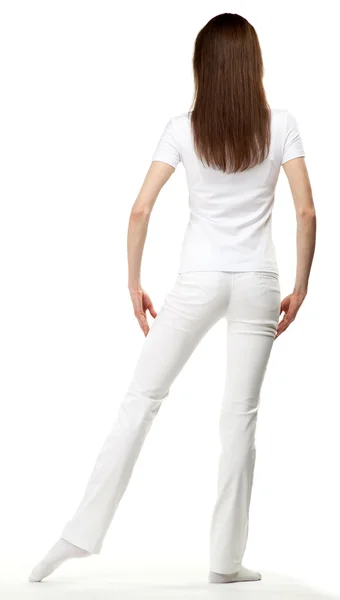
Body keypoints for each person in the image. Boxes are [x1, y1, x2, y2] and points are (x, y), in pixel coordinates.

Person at [28, 12, 316, 585]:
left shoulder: (182, 128)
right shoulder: (281, 124)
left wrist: (132, 284)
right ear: (252, 65)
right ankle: (226, 561)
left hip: (197, 280)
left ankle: (77, 536)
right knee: (240, 421)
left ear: (202, 68)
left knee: (141, 399)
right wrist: (301, 285)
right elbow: (306, 211)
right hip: (258, 280)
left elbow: (139, 209)